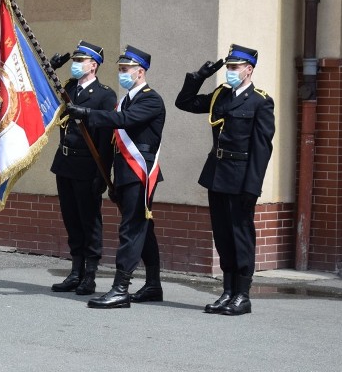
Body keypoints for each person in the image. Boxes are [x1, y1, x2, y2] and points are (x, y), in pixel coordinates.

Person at [175, 44, 275, 316]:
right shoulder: (221, 95)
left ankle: (243, 295)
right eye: (228, 66)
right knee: (222, 236)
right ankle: (228, 291)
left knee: (241, 236)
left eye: (235, 67)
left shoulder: (260, 101)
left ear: (249, 69)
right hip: (217, 175)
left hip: (241, 178)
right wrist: (199, 77)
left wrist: (252, 187)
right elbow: (183, 103)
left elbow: (262, 149)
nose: (230, 71)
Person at [66, 45, 166, 309]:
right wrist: (106, 174)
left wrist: (87, 113)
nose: (122, 73)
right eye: (120, 69)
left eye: (126, 69)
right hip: (124, 172)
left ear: (140, 72)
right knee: (143, 227)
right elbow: (114, 141)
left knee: (132, 228)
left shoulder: (150, 99)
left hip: (139, 171)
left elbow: (125, 120)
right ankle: (154, 284)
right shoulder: (127, 99)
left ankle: (121, 288)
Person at [48, 41, 116, 295]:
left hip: (88, 164)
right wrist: (49, 71)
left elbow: (106, 137)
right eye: (74, 61)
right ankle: (75, 271)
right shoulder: (68, 88)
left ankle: (90, 275)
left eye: (80, 61)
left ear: (93, 65)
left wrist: (103, 173)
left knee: (89, 221)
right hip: (65, 162)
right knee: (71, 218)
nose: (75, 65)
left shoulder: (104, 95)